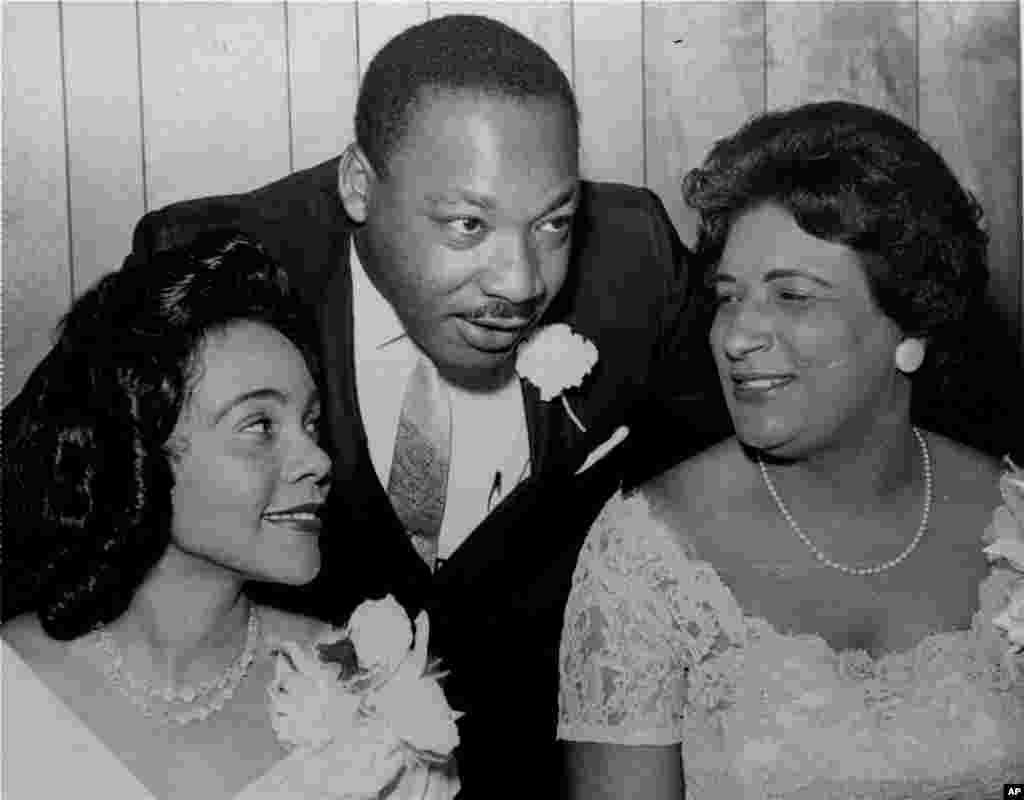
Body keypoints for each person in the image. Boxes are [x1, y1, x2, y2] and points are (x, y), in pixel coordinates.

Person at [93, 14, 728, 795]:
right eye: (468, 225)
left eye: (554, 224)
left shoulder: (635, 262)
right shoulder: (223, 265)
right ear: (359, 184)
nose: (521, 281)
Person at [557, 101, 1024, 798]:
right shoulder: (647, 554)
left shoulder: (1014, 525)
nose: (737, 334)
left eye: (793, 297)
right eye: (728, 296)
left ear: (911, 324)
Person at [0, 231, 458, 800]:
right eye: (260, 426)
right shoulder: (15, 689)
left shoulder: (381, 701)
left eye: (312, 424)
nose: (317, 459)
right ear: (138, 446)